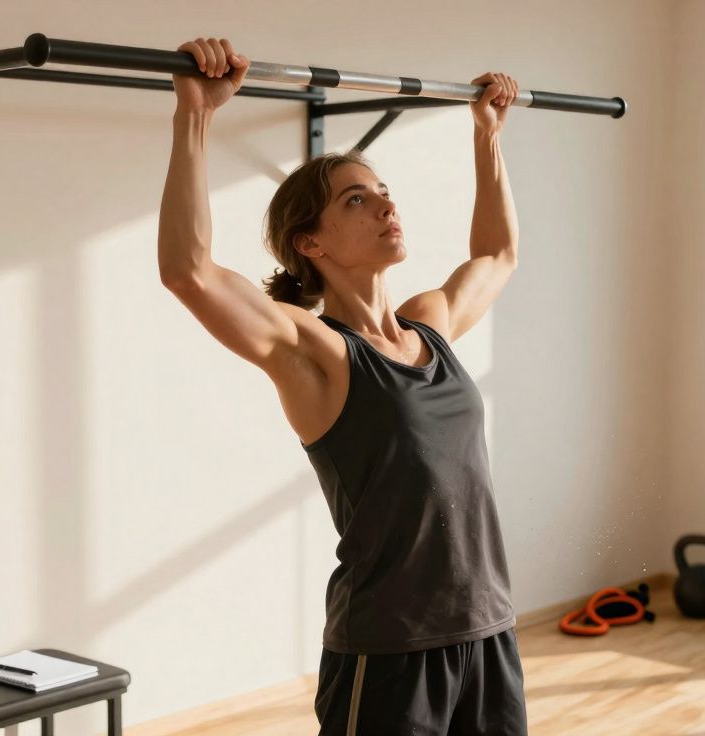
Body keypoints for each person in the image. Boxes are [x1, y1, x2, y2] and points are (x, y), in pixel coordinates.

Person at [158, 36, 527, 736]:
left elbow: (498, 254)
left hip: (489, 633)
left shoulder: (432, 326)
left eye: (384, 193)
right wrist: (196, 116)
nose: (386, 207)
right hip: (388, 649)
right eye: (358, 201)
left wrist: (488, 136)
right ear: (311, 242)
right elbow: (189, 272)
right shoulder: (317, 351)